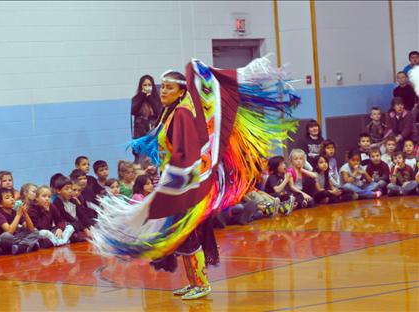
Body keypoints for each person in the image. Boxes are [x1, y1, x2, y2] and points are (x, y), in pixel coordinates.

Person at [91, 57, 299, 300]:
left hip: (185, 186)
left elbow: (186, 154)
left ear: (181, 92)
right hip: (177, 183)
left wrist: (174, 181)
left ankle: (201, 284)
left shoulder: (181, 115)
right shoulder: (170, 114)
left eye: (170, 88)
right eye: (163, 87)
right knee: (183, 237)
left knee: (188, 236)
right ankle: (195, 283)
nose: (164, 91)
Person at [131, 75, 162, 162]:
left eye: (149, 85)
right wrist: (142, 96)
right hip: (140, 136)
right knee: (141, 161)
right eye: (145, 85)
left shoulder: (158, 99)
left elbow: (159, 112)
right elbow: (133, 111)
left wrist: (149, 97)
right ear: (141, 86)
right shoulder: (136, 98)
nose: (147, 87)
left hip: (154, 135)